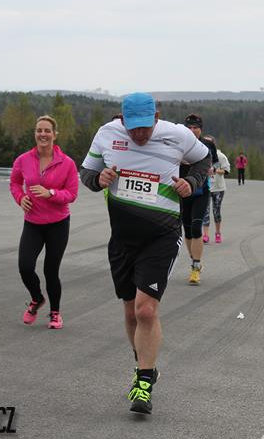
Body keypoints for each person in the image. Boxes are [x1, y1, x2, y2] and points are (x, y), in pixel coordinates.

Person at [80, 93, 210, 415]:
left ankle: (143, 384)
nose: (139, 134)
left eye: (145, 128)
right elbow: (87, 174)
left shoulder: (177, 134)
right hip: (123, 240)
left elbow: (204, 159)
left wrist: (192, 181)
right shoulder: (107, 134)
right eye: (133, 128)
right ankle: (145, 365)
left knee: (146, 311)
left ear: (156, 118)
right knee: (130, 313)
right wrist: (98, 179)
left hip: (162, 236)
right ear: (123, 121)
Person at [10, 115, 79, 329]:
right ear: (35, 133)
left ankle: (55, 313)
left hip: (58, 223)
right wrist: (20, 198)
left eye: (47, 130)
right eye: (39, 130)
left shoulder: (67, 163)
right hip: (33, 222)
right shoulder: (23, 160)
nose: (43, 134)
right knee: (25, 267)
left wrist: (51, 193)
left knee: (51, 270)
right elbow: (15, 182)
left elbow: (72, 194)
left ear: (54, 134)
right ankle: (37, 298)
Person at [181, 114, 218, 283]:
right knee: (188, 230)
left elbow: (215, 163)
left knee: (197, 228)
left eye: (195, 128)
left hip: (201, 191)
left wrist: (212, 169)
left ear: (201, 129)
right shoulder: (179, 143)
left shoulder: (208, 144)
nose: (192, 130)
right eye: (189, 128)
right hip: (183, 191)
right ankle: (194, 259)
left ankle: (195, 268)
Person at [202, 138, 231, 243]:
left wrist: (214, 170)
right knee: (205, 211)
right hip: (206, 187)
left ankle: (218, 233)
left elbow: (227, 171)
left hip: (218, 188)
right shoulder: (201, 154)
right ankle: (205, 235)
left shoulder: (220, 156)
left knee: (216, 211)